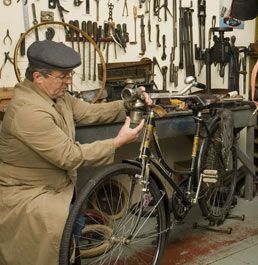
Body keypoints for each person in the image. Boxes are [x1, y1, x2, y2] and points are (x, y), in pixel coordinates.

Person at [0, 40, 151, 265]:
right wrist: (116, 143)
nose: (68, 82)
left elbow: (89, 113)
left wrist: (128, 105)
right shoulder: (28, 111)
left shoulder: (57, 97)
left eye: (70, 74)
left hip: (55, 187)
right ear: (38, 77)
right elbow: (69, 156)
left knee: (73, 226)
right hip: (28, 194)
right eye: (62, 77)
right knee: (58, 233)